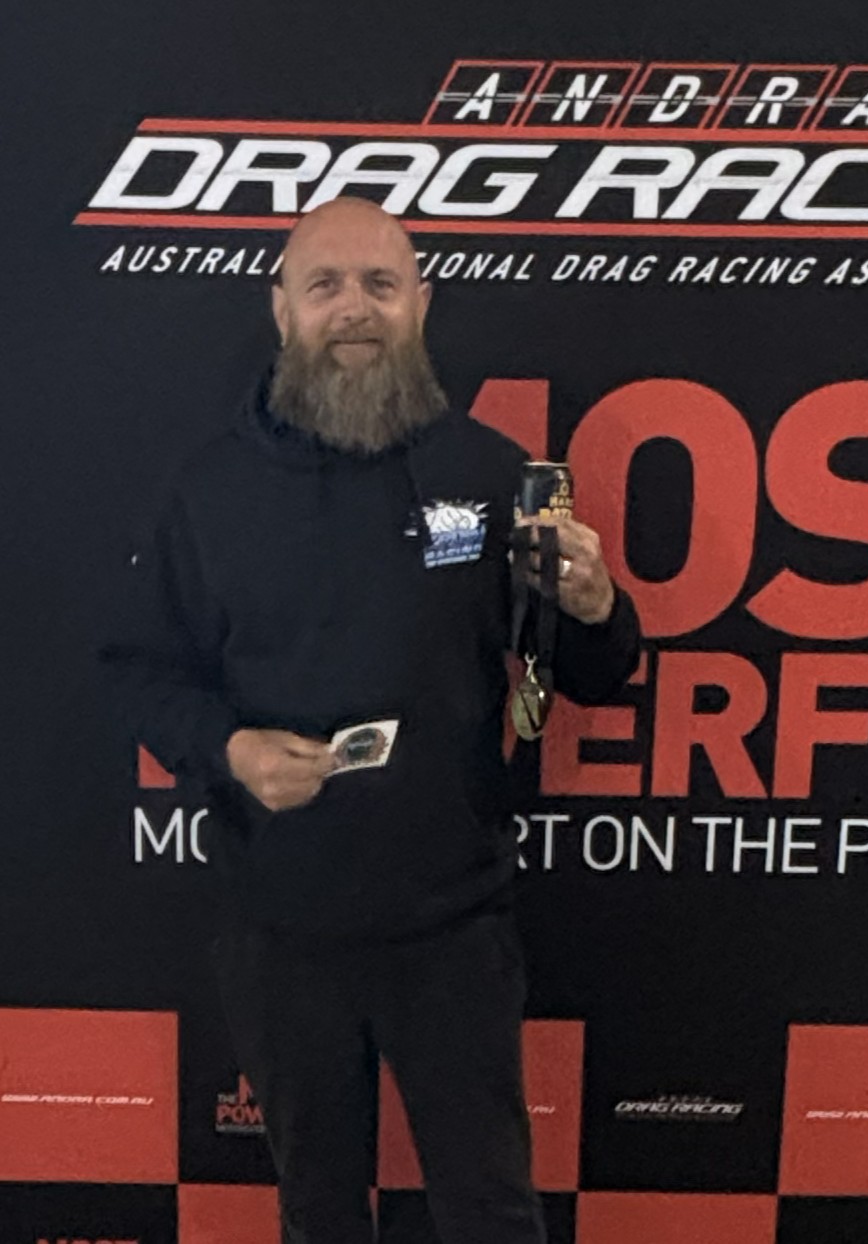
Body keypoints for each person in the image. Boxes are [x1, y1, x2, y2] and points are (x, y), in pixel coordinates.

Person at [98, 196, 639, 1244]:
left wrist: (595, 608)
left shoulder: (489, 473)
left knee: (490, 1212)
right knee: (319, 1212)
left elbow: (586, 675)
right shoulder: (207, 489)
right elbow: (136, 671)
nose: (354, 308)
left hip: (453, 928)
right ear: (282, 309)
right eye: (326, 285)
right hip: (279, 928)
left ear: (420, 304)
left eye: (380, 284)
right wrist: (229, 750)